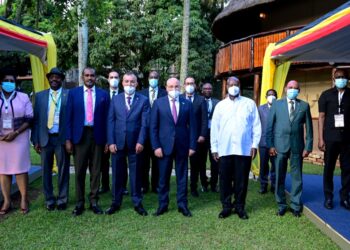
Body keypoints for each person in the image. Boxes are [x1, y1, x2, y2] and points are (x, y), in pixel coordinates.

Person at [211, 76, 261, 220]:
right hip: (224, 149)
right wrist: (214, 148)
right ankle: (226, 207)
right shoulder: (220, 106)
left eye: (236, 84)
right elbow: (215, 128)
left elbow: (256, 126)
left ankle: (239, 207)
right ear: (226, 86)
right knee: (225, 180)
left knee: (241, 180)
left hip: (243, 149)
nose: (233, 86)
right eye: (231, 84)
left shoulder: (249, 103)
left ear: (240, 85)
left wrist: (254, 145)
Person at [65, 67, 110, 216]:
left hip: (98, 136)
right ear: (82, 77)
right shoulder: (73, 93)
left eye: (92, 75)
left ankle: (94, 201)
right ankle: (79, 203)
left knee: (96, 171)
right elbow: (68, 118)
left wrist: (108, 141)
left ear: (95, 77)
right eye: (86, 75)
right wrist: (68, 139)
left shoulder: (104, 94)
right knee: (79, 171)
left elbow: (108, 120)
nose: (89, 78)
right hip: (80, 136)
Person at [150, 77, 196, 217]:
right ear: (166, 87)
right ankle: (162, 205)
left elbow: (193, 127)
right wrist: (156, 146)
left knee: (182, 177)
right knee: (163, 178)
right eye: (171, 86)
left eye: (176, 86)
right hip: (164, 147)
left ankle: (182, 205)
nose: (174, 89)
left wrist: (192, 146)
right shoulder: (158, 103)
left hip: (182, 146)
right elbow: (153, 127)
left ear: (180, 87)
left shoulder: (187, 103)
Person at [267, 80, 313, 217]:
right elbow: (269, 127)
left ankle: (295, 205)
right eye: (290, 87)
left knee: (297, 177)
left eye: (296, 88)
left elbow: (309, 129)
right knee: (279, 176)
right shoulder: (276, 104)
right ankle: (281, 204)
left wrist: (308, 146)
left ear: (299, 91)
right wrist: (270, 145)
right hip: (279, 147)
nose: (293, 89)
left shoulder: (304, 106)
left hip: (297, 147)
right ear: (286, 88)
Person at [106, 72, 149, 216]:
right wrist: (111, 141)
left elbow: (145, 124)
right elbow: (110, 121)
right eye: (126, 82)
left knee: (136, 175)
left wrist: (141, 141)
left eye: (132, 82)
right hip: (118, 143)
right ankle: (116, 202)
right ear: (122, 83)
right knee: (117, 174)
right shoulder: (116, 99)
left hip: (135, 144)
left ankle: (137, 202)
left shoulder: (143, 100)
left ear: (136, 84)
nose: (129, 84)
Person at [32, 67, 70, 211]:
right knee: (46, 170)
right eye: (52, 77)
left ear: (62, 79)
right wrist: (35, 140)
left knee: (63, 170)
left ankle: (62, 198)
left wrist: (69, 139)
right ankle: (49, 199)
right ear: (48, 79)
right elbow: (35, 120)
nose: (54, 79)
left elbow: (71, 119)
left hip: (61, 139)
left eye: (58, 77)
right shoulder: (40, 96)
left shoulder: (68, 95)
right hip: (45, 139)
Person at [0, 71, 33, 215]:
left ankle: (24, 199)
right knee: (3, 170)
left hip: (19, 137)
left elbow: (30, 118)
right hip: (1, 140)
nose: (9, 83)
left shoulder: (23, 97)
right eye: (6, 80)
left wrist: (16, 133)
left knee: (20, 169)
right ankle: (7, 201)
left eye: (12, 81)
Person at [318, 69, 350, 210]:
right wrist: (320, 138)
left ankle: (345, 197)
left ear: (348, 79)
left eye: (343, 77)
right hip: (330, 138)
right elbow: (321, 117)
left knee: (347, 169)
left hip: (348, 139)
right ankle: (328, 197)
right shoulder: (326, 95)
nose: (341, 79)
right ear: (333, 78)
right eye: (338, 77)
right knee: (329, 168)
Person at [99, 70, 128, 195]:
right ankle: (105, 185)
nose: (114, 79)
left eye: (116, 77)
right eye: (111, 77)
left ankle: (123, 186)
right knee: (103, 163)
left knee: (122, 163)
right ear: (108, 79)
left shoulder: (124, 94)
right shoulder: (102, 94)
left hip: (121, 134)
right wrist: (107, 139)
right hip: (104, 134)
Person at [139, 70, 167, 194]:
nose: (153, 79)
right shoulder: (141, 93)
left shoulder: (165, 93)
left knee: (157, 161)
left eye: (155, 77)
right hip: (144, 132)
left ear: (159, 79)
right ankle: (144, 185)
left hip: (159, 133)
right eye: (151, 77)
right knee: (143, 161)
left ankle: (156, 185)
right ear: (148, 78)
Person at [181, 76, 208, 197]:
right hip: (181, 137)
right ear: (184, 85)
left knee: (195, 164)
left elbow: (204, 120)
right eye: (187, 83)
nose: (189, 85)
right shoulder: (179, 97)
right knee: (181, 163)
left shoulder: (201, 100)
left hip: (196, 137)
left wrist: (202, 134)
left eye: (192, 83)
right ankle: (182, 187)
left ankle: (193, 187)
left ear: (195, 85)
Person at [258, 89, 277, 194]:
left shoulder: (279, 108)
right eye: (269, 95)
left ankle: (274, 185)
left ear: (276, 97)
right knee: (263, 165)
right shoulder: (260, 109)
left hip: (276, 143)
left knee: (275, 165)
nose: (271, 96)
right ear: (266, 97)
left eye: (273, 95)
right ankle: (263, 185)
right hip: (263, 142)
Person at [201, 82, 219, 192]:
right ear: (202, 90)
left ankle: (213, 184)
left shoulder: (217, 102)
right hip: (202, 135)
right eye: (205, 88)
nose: (208, 90)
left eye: (210, 88)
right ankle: (204, 183)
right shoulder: (198, 101)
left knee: (215, 161)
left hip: (214, 135)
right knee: (202, 161)